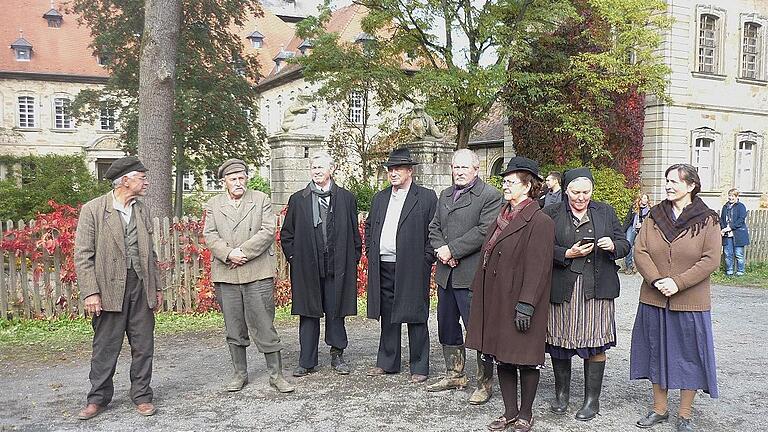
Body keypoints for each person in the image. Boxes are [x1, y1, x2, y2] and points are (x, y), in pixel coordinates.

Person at [465, 157, 555, 432]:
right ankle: (509, 412)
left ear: (528, 187)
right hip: (498, 298)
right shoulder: (502, 215)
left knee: (525, 358)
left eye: (511, 181)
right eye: (504, 181)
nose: (505, 185)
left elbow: (538, 268)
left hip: (520, 300)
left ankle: (525, 414)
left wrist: (526, 305)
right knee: (501, 354)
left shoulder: (540, 221)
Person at [630, 164, 721, 432]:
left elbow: (711, 259)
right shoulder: (654, 216)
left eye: (675, 182)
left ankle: (684, 414)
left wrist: (678, 282)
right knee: (656, 352)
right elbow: (640, 250)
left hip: (690, 301)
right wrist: (657, 280)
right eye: (667, 181)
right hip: (654, 297)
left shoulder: (708, 219)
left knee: (689, 356)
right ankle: (659, 409)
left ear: (691, 185)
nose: (668, 186)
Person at [73, 156, 163, 420]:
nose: (146, 181)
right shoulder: (94, 209)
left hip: (140, 284)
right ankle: (97, 399)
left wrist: (156, 287)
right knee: (106, 346)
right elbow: (83, 255)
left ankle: (143, 396)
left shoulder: (142, 209)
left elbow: (151, 253)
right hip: (108, 288)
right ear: (125, 180)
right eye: (142, 177)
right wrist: (91, 292)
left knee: (143, 344)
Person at [542, 167, 630, 421]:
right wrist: (565, 254)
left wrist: (613, 245)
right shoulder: (552, 212)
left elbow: (625, 243)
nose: (581, 197)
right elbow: (540, 247)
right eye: (575, 192)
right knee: (559, 341)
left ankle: (592, 400)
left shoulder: (605, 211)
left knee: (595, 342)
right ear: (565, 189)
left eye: (586, 192)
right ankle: (561, 396)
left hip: (597, 287)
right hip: (562, 287)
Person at [203, 159, 294, 393]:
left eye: (241, 178)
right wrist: (228, 253)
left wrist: (242, 252)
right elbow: (210, 235)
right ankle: (239, 375)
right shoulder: (214, 204)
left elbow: (267, 231)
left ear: (247, 179)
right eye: (233, 179)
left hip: (257, 273)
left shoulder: (261, 199)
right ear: (224, 182)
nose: (238, 183)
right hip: (226, 273)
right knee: (234, 327)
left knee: (265, 325)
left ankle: (276, 375)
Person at [426, 149, 503, 405]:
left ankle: (484, 383)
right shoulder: (445, 194)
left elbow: (485, 231)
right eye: (455, 167)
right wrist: (442, 251)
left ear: (476, 169)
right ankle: (455, 374)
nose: (459, 172)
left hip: (471, 275)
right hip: (446, 274)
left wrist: (453, 249)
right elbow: (434, 227)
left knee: (477, 330)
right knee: (447, 326)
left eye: (464, 168)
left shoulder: (490, 196)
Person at [281, 152, 362, 377]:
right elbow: (287, 235)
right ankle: (307, 361)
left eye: (320, 167)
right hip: (307, 267)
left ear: (332, 169)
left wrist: (351, 260)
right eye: (313, 167)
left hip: (337, 266)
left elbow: (355, 235)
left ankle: (337, 355)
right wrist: (295, 260)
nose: (316, 171)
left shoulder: (346, 198)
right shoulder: (299, 199)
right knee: (308, 313)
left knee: (336, 312)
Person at [365, 148, 437, 383]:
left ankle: (419, 365)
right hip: (384, 264)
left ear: (410, 171)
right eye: (390, 169)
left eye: (398, 169)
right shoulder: (380, 197)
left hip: (414, 266)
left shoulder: (426, 197)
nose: (393, 173)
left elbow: (433, 231)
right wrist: (370, 251)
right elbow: (369, 228)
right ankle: (387, 361)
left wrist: (426, 260)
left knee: (416, 314)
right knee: (388, 315)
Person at [720, 188, 750, 276]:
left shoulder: (741, 206)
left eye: (733, 196)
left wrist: (730, 228)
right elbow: (722, 219)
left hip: (738, 234)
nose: (730, 198)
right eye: (729, 195)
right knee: (728, 253)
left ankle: (740, 271)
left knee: (738, 254)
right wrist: (723, 228)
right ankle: (729, 271)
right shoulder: (725, 207)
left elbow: (741, 220)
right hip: (727, 234)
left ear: (737, 197)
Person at [622, 193, 652, 274]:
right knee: (628, 244)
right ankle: (629, 265)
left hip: (644, 229)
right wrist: (622, 231)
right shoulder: (634, 208)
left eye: (646, 198)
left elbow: (651, 222)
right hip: (633, 227)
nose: (645, 200)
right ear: (640, 199)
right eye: (643, 198)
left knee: (639, 247)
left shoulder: (650, 210)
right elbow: (628, 219)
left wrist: (642, 224)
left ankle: (637, 266)